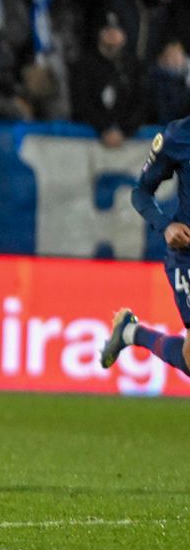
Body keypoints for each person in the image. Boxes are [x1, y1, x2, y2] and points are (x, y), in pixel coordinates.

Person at [102, 119, 190, 377]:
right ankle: (132, 333)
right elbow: (141, 192)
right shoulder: (178, 136)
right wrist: (166, 227)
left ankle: (130, 333)